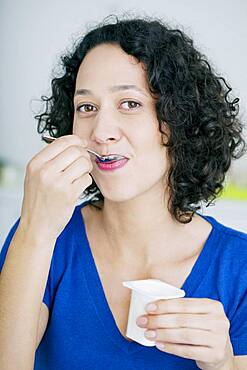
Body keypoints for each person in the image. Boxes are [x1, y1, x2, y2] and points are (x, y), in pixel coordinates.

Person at [0, 14, 247, 370]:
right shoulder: (43, 239)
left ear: (177, 121)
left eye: (129, 104)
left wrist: (224, 364)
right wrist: (34, 231)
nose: (101, 131)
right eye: (87, 107)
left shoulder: (238, 267)